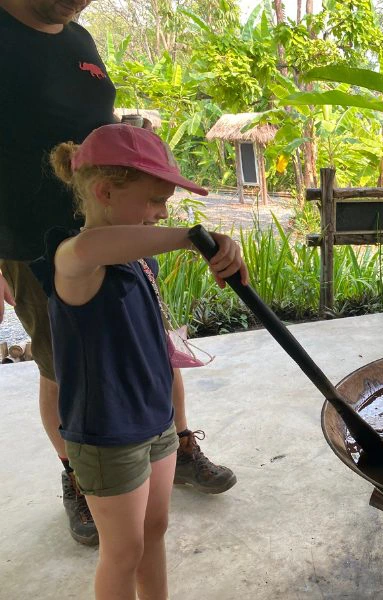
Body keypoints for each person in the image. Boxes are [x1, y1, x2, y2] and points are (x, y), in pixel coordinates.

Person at [0, 0, 236, 546]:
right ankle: (81, 474)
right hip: (33, 242)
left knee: (152, 341)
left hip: (118, 222)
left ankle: (176, 445)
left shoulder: (79, 40)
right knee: (62, 365)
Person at [31, 123, 248, 600]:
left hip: (156, 423)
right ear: (105, 192)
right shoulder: (74, 260)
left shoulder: (140, 260)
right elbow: (92, 247)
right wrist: (191, 237)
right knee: (123, 550)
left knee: (155, 530)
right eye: (154, 201)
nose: (162, 213)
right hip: (107, 436)